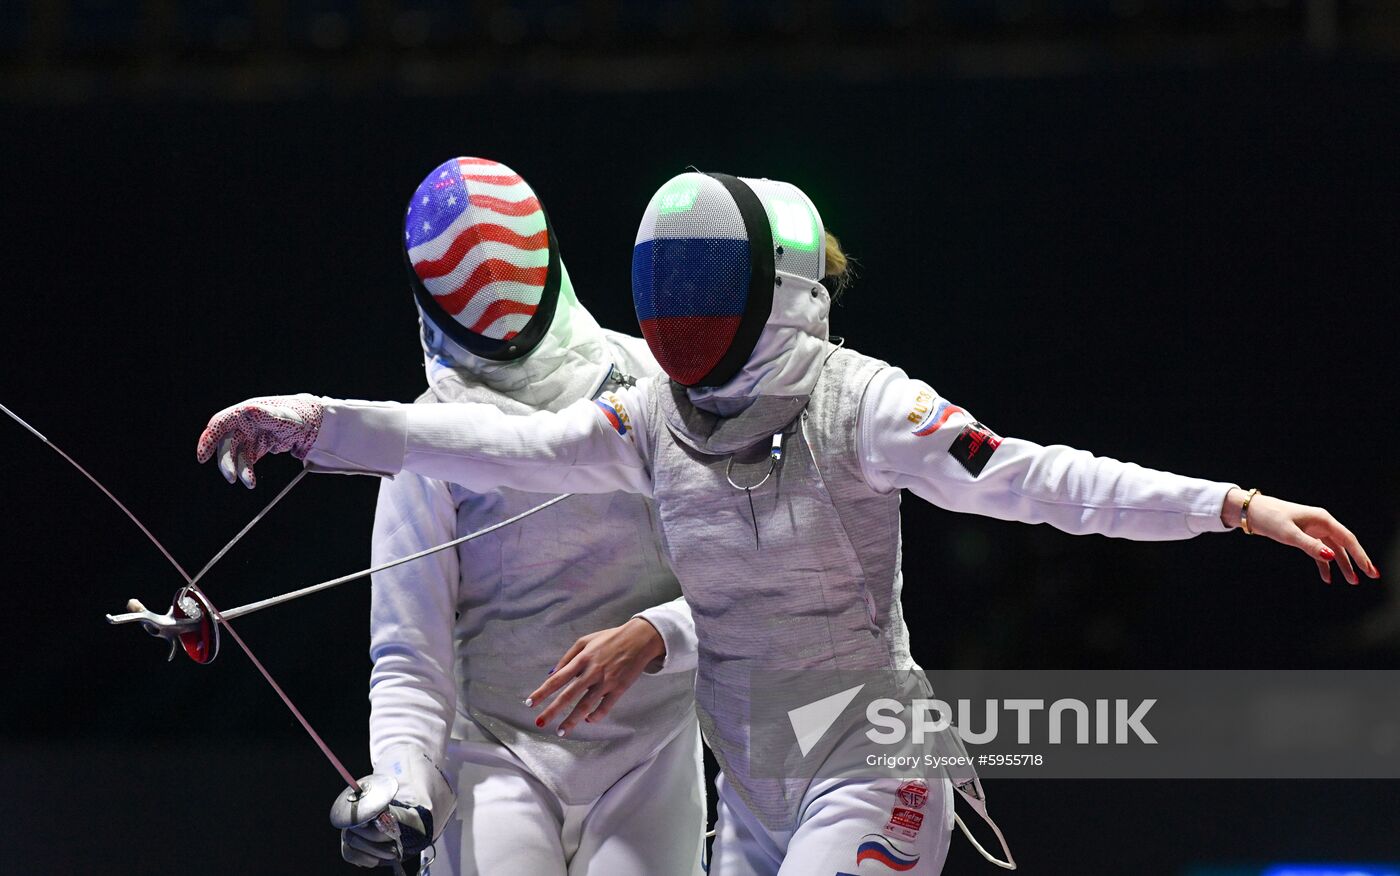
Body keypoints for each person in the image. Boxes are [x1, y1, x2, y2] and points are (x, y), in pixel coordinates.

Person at [198, 171, 1377, 875]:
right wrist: (314, 423)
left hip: (872, 761)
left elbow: (1039, 479)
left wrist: (1230, 506)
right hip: (752, 791)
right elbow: (478, 443)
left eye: (702, 287)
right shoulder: (650, 416)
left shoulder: (868, 407)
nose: (678, 316)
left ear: (765, 288)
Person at [258, 157, 707, 875]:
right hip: (498, 757)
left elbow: (747, 577)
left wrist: (655, 634)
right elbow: (410, 654)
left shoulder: (654, 389)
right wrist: (403, 788)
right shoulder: (430, 437)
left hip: (649, 753)